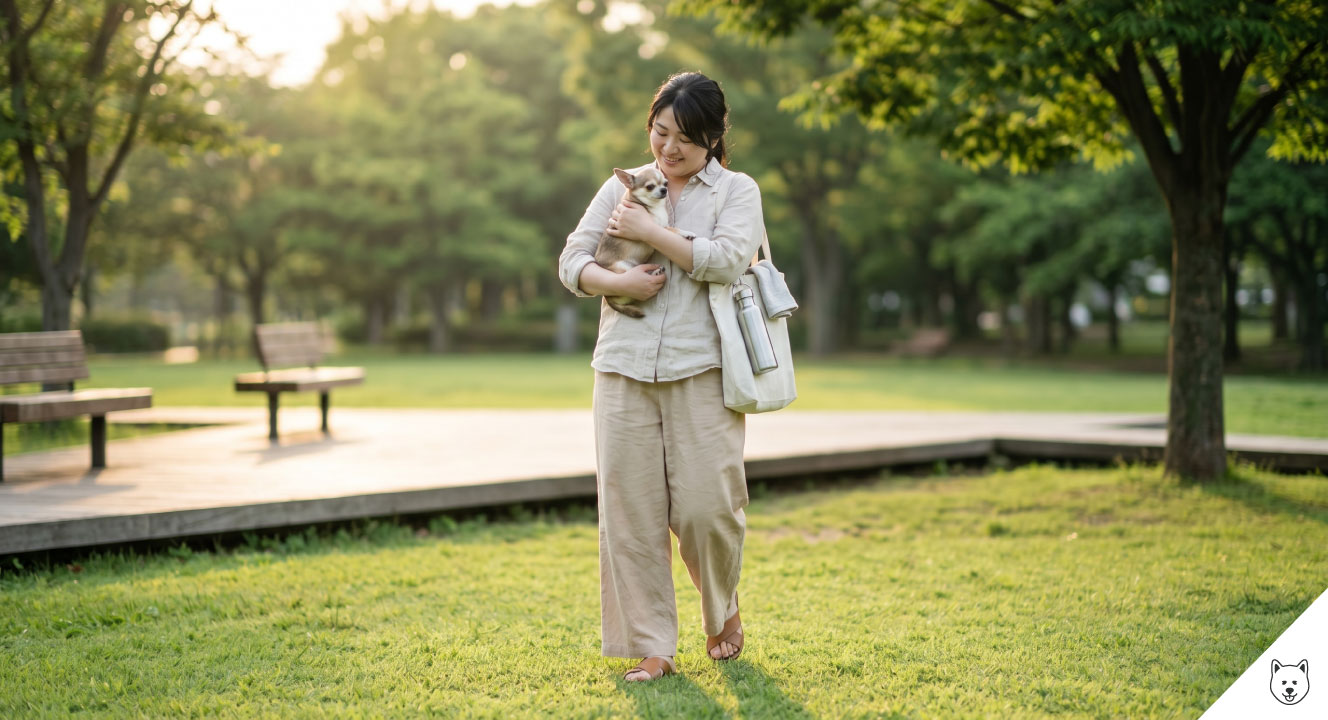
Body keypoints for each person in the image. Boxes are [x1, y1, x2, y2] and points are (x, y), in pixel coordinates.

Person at [557, 71, 766, 683]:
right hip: (621, 367)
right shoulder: (621, 184)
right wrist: (616, 281)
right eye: (659, 131)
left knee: (708, 509)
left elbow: (729, 260)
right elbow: (573, 260)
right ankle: (652, 646)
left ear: (713, 139)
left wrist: (653, 234)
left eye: (685, 138)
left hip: (701, 368)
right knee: (631, 514)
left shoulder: (737, 190)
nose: (668, 149)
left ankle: (721, 608)